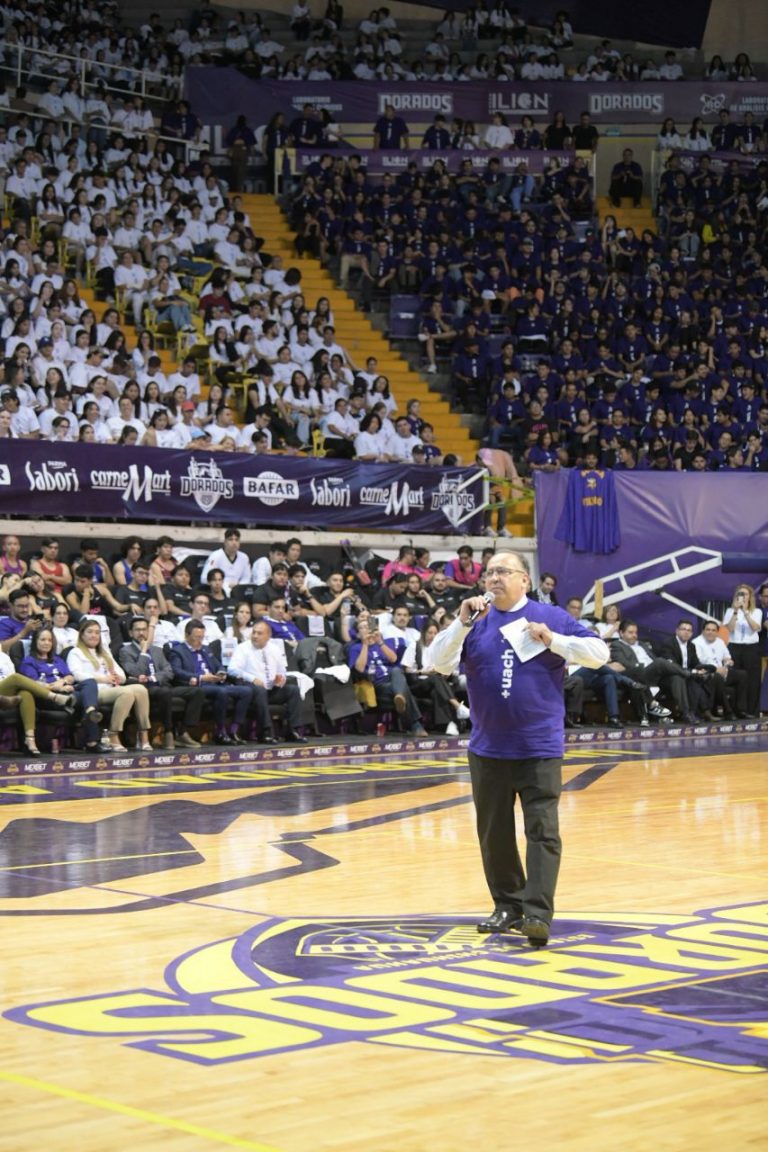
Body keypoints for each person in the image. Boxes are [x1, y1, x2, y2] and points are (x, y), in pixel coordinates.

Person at [430, 552, 609, 946]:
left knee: (542, 831)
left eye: (503, 572)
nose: (493, 578)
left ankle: (537, 914)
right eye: (489, 572)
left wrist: (554, 640)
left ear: (524, 581)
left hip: (538, 747)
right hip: (488, 748)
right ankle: (508, 905)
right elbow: (437, 663)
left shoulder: (554, 617)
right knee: (493, 834)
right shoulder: (473, 622)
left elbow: (600, 655)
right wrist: (459, 624)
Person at [118, 616, 204, 749]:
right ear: (130, 633)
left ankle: (182, 732)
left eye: (144, 629)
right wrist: (143, 652)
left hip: (161, 685)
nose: (141, 633)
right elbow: (135, 671)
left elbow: (169, 672)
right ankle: (168, 732)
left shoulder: (157, 650)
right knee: (165, 692)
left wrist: (153, 678)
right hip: (143, 689)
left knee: (197, 691)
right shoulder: (125, 651)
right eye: (137, 630)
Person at [168, 619, 252, 745]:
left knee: (246, 691)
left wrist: (221, 673)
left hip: (214, 682)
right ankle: (220, 731)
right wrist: (201, 677)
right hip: (198, 684)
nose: (200, 640)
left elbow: (219, 665)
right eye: (197, 637)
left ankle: (234, 730)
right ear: (187, 635)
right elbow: (177, 671)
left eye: (202, 637)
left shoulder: (206, 649)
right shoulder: (178, 651)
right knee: (221, 692)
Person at [227, 619, 308, 743]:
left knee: (293, 690)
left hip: (271, 689)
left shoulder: (275, 649)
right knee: (260, 690)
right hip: (252, 691)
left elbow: (282, 671)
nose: (255, 636)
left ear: (268, 636)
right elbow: (232, 669)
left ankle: (293, 731)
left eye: (259, 633)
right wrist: (253, 679)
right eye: (254, 632)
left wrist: (280, 679)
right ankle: (265, 732)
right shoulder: (243, 648)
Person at [722, 584, 762, 717]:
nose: (743, 596)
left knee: (752, 680)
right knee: (736, 679)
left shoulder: (757, 611)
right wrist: (735, 611)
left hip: (751, 648)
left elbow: (756, 627)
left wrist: (745, 612)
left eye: (745, 594)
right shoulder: (729, 611)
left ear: (750, 597)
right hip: (735, 647)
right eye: (740, 594)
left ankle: (751, 711)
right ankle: (736, 710)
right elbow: (730, 629)